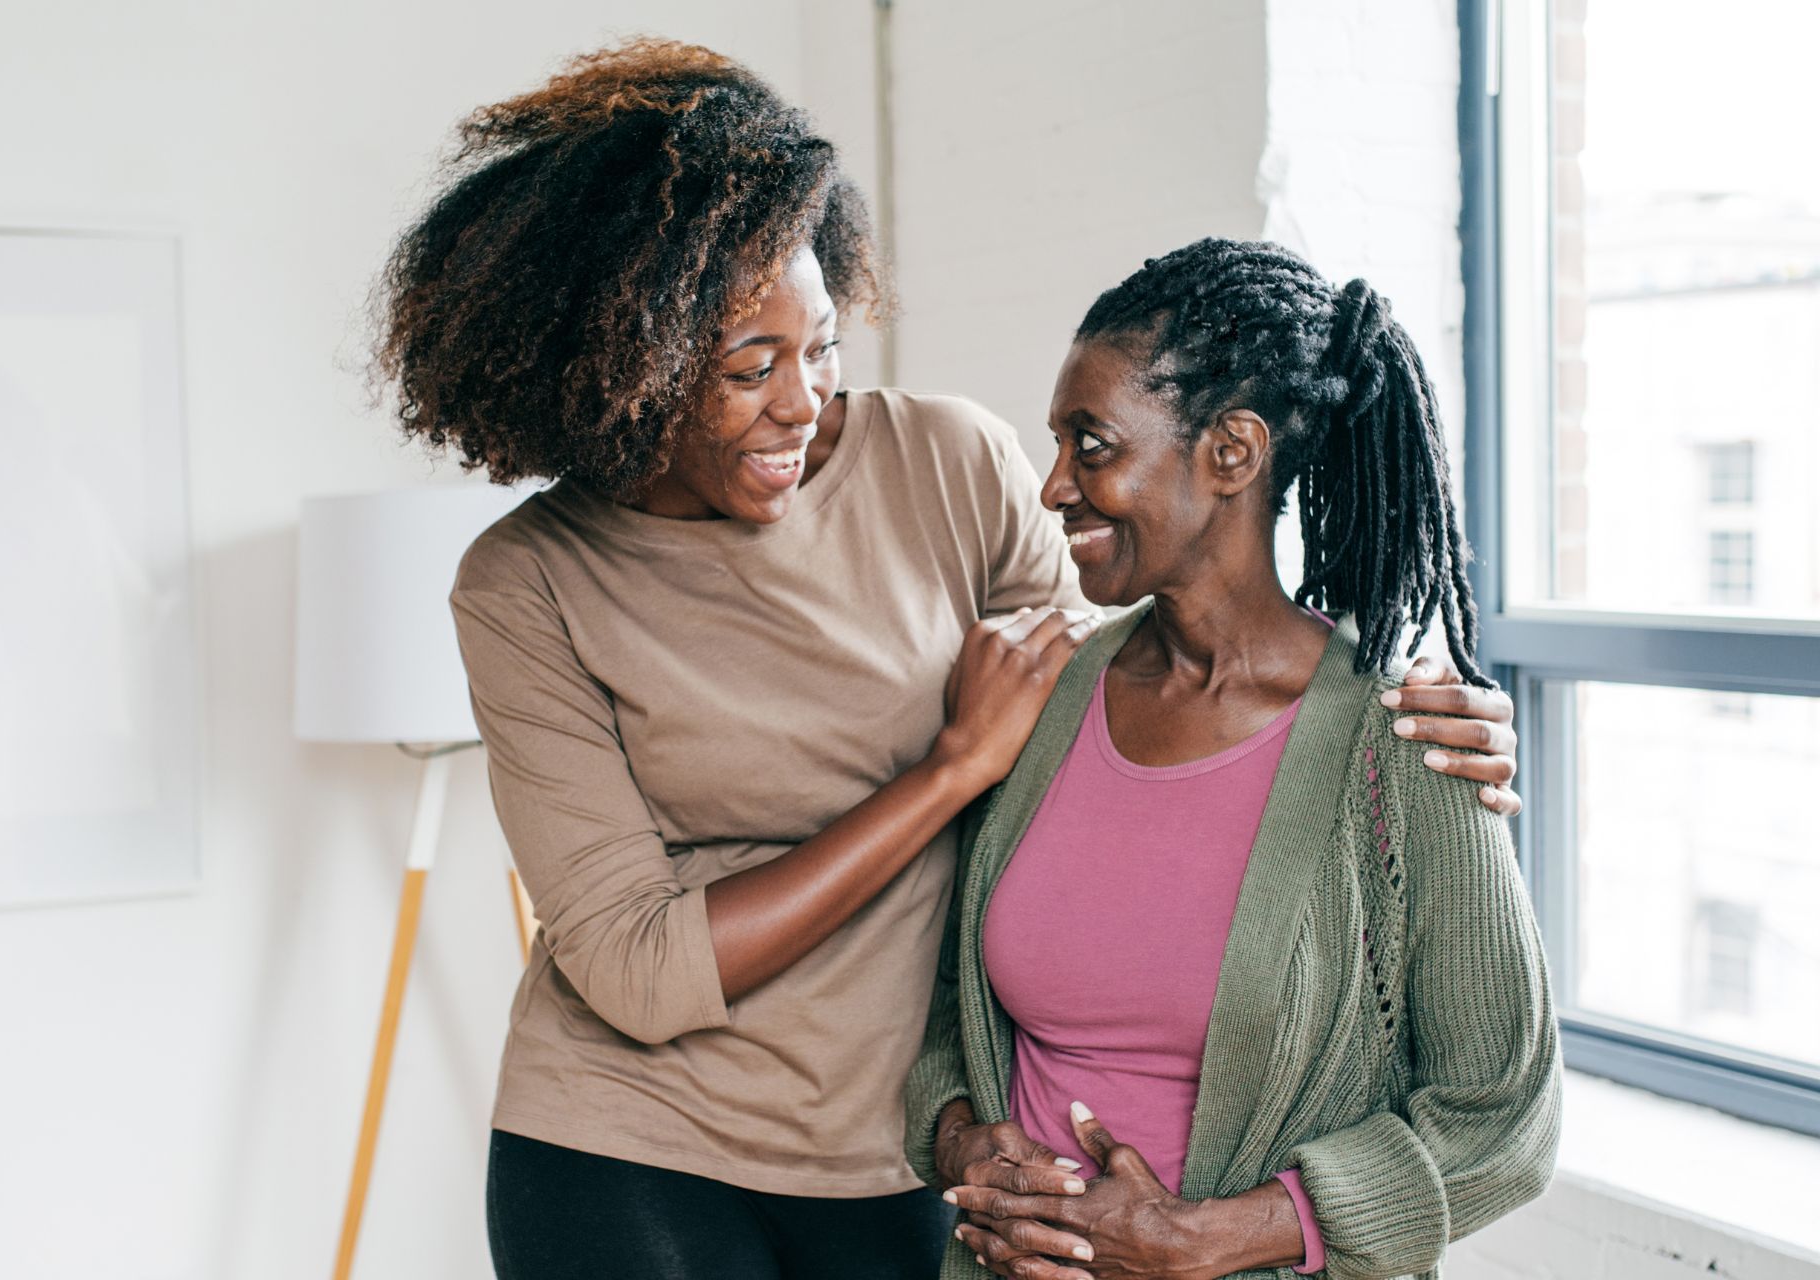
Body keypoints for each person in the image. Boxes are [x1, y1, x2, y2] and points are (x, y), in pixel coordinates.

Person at [373, 42, 1524, 1280]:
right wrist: (946, 769)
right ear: (624, 368)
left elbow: (1127, 718)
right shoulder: (528, 582)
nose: (802, 400)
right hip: (632, 1143)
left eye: (820, 346)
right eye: (749, 370)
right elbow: (640, 968)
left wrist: (1418, 737)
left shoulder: (948, 465)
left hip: (908, 1148)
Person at [905, 239, 1561, 1280]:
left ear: (1232, 453)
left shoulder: (1404, 743)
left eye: (1092, 444)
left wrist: (1211, 1238)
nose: (1053, 488)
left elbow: (1502, 1114)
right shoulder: (1044, 698)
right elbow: (953, 1009)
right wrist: (961, 1141)